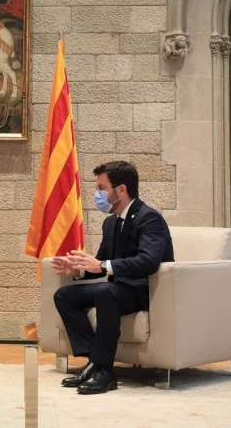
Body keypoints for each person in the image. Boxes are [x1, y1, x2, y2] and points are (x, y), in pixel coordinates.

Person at [51, 161, 174, 395]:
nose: (98, 194)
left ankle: (106, 373)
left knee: (105, 292)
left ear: (121, 190)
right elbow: (101, 262)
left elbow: (148, 262)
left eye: (102, 188)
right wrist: (77, 270)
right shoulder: (110, 223)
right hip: (117, 289)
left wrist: (101, 266)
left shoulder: (149, 219)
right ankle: (95, 362)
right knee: (64, 296)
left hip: (143, 291)